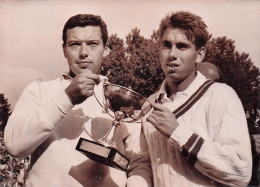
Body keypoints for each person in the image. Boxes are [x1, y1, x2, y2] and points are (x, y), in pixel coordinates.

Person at [4, 14, 152, 187]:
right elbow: (14, 146)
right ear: (64, 49)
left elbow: (139, 164)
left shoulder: (121, 98)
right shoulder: (39, 90)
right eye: (75, 44)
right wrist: (67, 98)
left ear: (105, 48)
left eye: (92, 44)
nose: (83, 53)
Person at [142, 11, 252, 187]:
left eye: (182, 46)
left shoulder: (221, 96)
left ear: (199, 54)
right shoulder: (149, 104)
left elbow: (241, 172)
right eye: (166, 45)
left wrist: (178, 133)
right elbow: (144, 166)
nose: (172, 54)